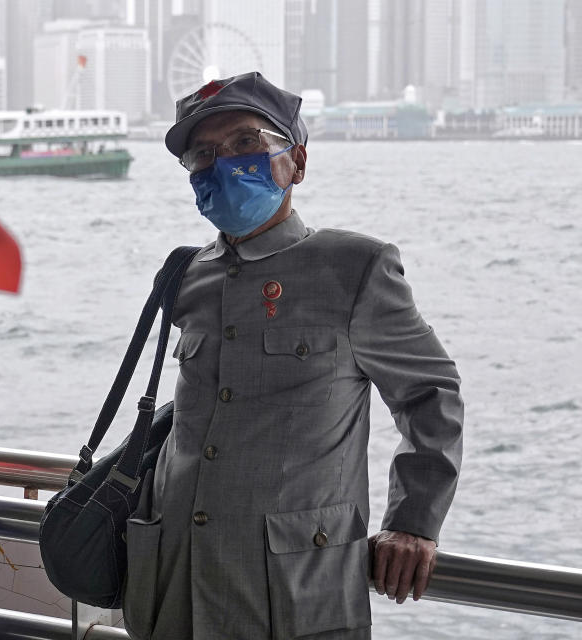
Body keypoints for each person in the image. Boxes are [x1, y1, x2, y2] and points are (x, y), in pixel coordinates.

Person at [122, 72, 464, 640]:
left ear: (296, 162)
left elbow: (430, 395)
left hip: (294, 591)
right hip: (173, 580)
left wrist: (413, 522)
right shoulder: (186, 276)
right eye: (202, 155)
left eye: (245, 143)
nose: (222, 164)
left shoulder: (355, 267)